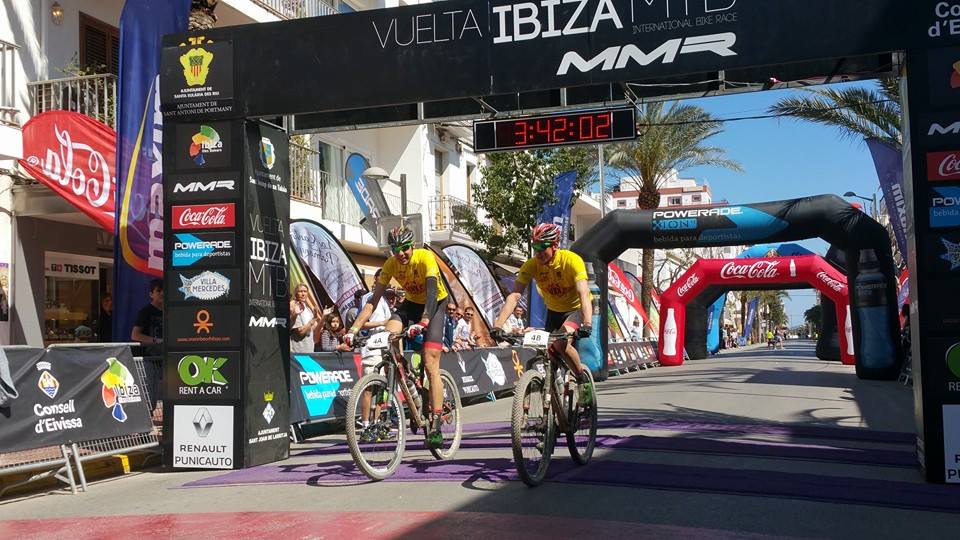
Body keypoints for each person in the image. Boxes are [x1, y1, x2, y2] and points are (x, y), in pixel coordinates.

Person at [345, 226, 450, 448]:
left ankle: (437, 424)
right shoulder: (391, 265)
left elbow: (431, 293)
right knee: (389, 337)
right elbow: (372, 302)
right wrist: (353, 329)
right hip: (411, 303)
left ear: (412, 245)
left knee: (431, 364)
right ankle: (409, 383)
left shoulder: (425, 257)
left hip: (435, 304)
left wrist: (424, 321)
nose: (401, 253)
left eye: (404, 248)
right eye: (395, 249)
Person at [491, 223, 593, 404]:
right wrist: (498, 325)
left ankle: (581, 378)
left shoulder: (571, 260)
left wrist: (587, 323)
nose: (537, 252)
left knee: (561, 344)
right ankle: (553, 416)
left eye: (541, 247)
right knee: (548, 353)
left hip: (575, 309)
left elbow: (583, 293)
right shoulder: (532, 265)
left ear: (554, 245)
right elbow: (514, 296)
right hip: (553, 312)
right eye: (534, 246)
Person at [131, 279, 163, 411]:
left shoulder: (171, 310)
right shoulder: (146, 311)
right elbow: (135, 335)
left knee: (160, 393)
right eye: (158, 291)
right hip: (148, 358)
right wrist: (156, 341)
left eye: (164, 290)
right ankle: (146, 423)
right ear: (151, 294)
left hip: (164, 357)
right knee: (148, 393)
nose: (162, 293)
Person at [289, 284, 320, 354]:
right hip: (298, 352)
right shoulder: (294, 307)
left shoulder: (308, 309)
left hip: (310, 350)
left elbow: (315, 330)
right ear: (295, 293)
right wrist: (313, 320)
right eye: (300, 291)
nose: (303, 294)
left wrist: (322, 316)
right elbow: (300, 331)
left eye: (305, 291)